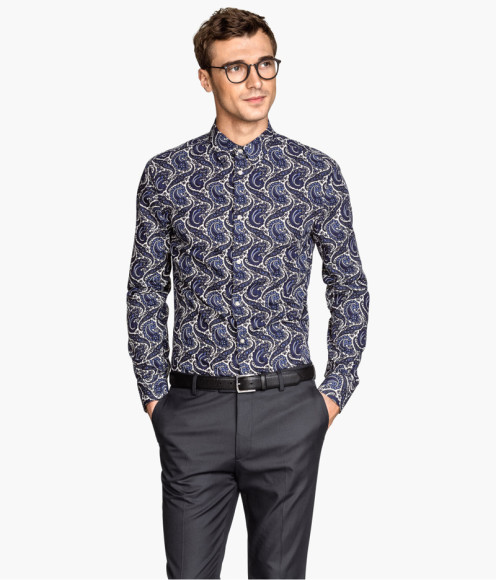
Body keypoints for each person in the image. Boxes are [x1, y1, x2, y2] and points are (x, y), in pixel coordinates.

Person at [126, 7, 370, 579]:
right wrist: (155, 397)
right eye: (235, 68)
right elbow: (144, 289)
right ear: (205, 78)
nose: (255, 80)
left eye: (265, 63)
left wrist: (333, 394)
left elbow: (350, 285)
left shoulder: (315, 173)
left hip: (288, 410)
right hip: (193, 413)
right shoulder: (167, 174)